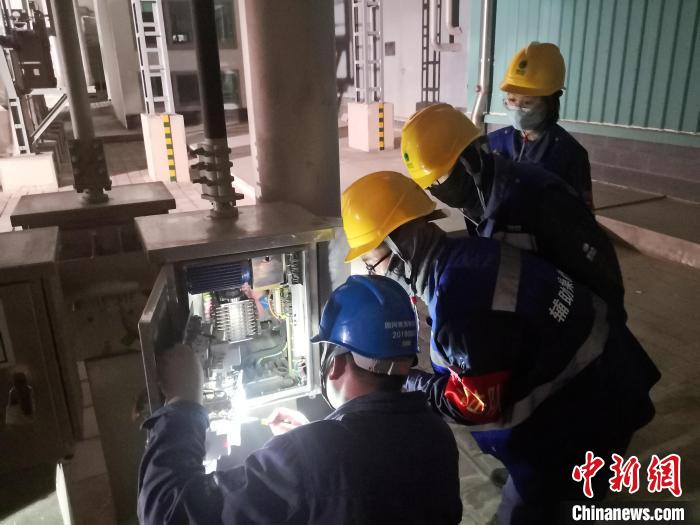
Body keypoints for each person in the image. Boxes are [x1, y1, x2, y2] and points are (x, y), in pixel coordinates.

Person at [341, 171, 660, 524]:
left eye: (372, 263)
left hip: (585, 412)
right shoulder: (470, 251)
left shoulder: (458, 306)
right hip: (607, 370)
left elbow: (475, 404)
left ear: (401, 248)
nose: (373, 273)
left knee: (539, 509)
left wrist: (412, 381)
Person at [137, 275, 463, 525]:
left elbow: (167, 513)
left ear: (335, 363)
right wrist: (317, 435)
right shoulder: (436, 434)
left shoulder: (312, 454)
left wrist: (184, 404)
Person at [401, 102, 625, 319]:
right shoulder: (478, 202)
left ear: (468, 160)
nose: (437, 190)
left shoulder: (536, 199)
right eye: (430, 185)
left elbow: (595, 276)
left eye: (439, 178)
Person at [489, 42, 593, 208]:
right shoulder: (494, 141)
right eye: (512, 100)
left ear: (550, 103)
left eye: (527, 102)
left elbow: (581, 215)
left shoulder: (569, 154)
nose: (517, 109)